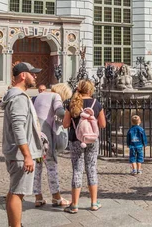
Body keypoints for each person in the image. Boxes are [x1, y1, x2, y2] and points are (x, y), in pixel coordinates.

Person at [1, 62, 43, 227]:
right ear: (23, 75)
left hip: (16, 152)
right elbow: (18, 127)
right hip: (20, 155)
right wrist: (27, 155)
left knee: (14, 191)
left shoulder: (16, 96)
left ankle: (14, 224)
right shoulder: (18, 98)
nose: (35, 77)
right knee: (18, 193)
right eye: (32, 73)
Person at [62, 80, 105, 214]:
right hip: (92, 140)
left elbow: (65, 124)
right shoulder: (96, 104)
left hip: (76, 140)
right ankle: (94, 202)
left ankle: (74, 204)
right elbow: (103, 124)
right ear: (91, 90)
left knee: (77, 170)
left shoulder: (73, 103)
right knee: (91, 168)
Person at [33, 83, 72, 208]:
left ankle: (38, 197)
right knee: (51, 166)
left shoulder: (39, 96)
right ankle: (56, 197)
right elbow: (60, 111)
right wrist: (71, 114)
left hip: (35, 136)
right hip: (46, 138)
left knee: (37, 167)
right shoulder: (56, 96)